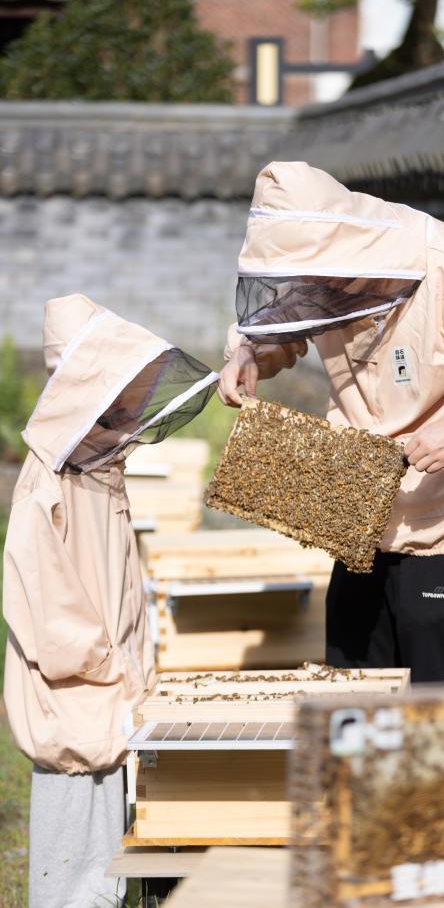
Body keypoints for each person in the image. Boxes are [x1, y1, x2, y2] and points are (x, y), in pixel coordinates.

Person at [218, 161, 444, 684]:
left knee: (437, 717)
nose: (305, 287)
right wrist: (250, 354)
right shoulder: (322, 267)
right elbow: (287, 321)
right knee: (354, 707)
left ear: (340, 246)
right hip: (356, 512)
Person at [3, 293, 218, 908]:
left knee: (109, 864)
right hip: (78, 700)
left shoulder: (98, 468)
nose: (129, 403)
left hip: (110, 692)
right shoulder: (46, 482)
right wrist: (107, 664)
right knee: (72, 880)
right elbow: (44, 605)